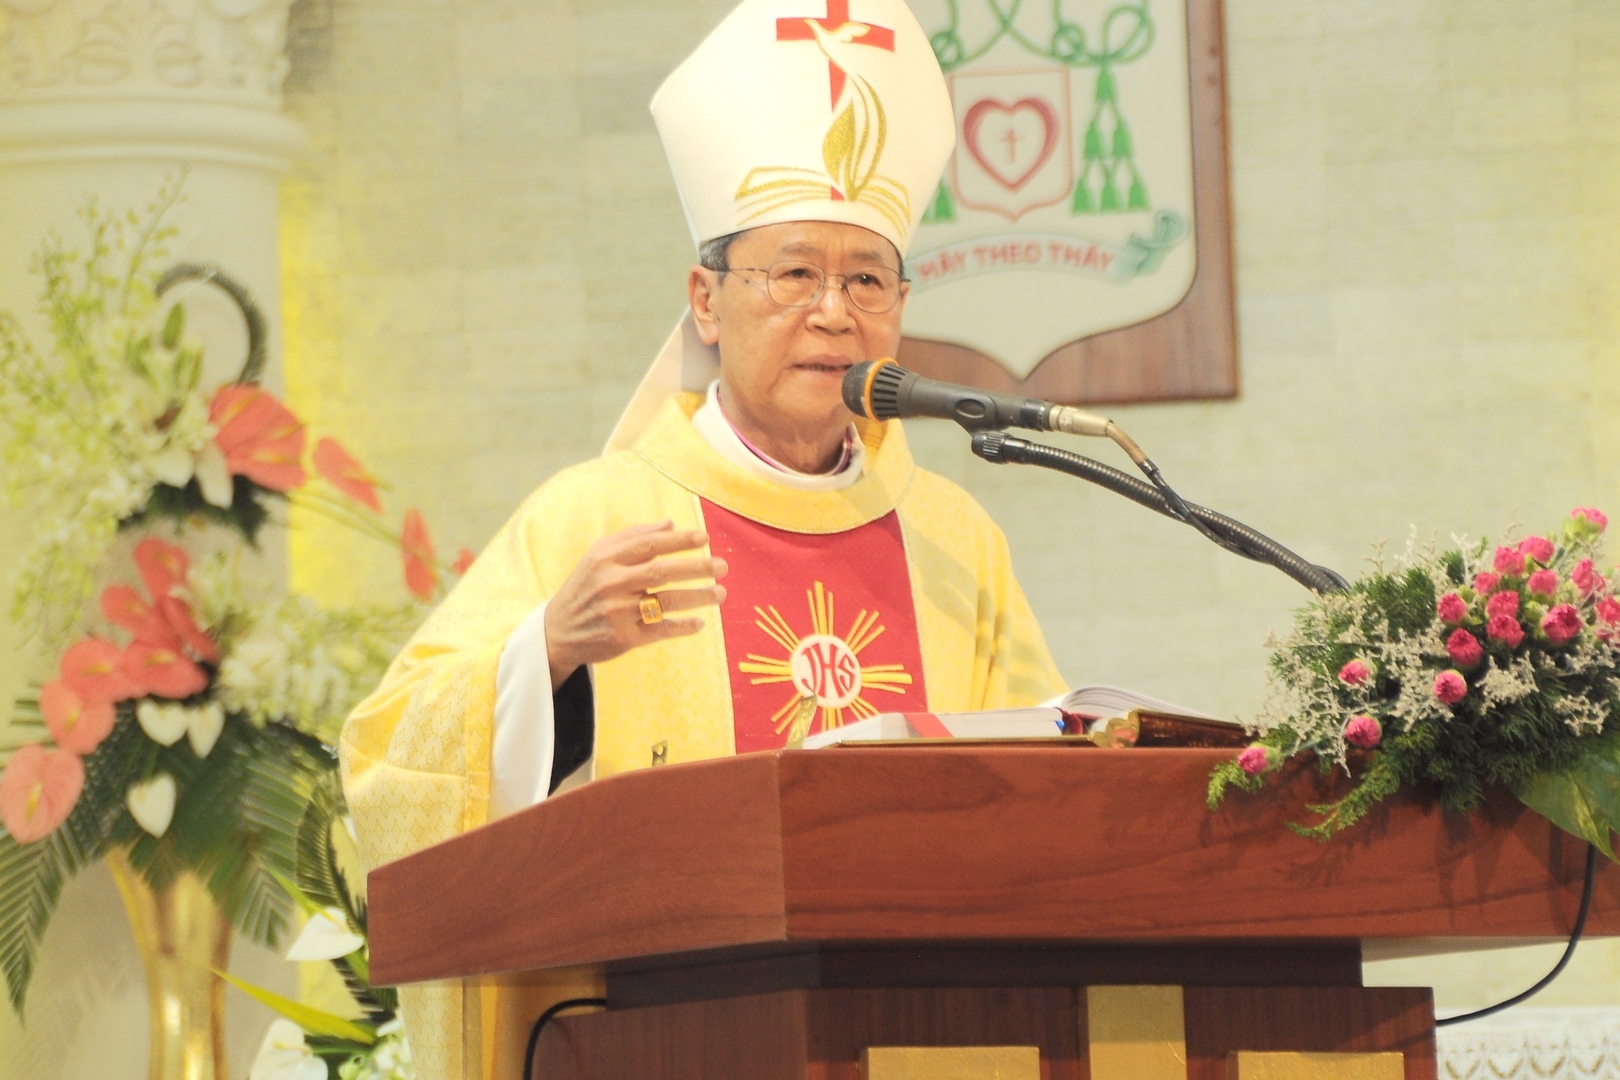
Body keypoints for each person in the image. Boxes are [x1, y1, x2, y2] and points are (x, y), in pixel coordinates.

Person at [340, 1, 1067, 1076]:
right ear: (707, 301)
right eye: (794, 273)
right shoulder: (593, 517)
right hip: (659, 1039)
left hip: (931, 1034)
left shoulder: (954, 539)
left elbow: (1049, 795)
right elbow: (387, 760)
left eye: (868, 279)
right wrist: (547, 654)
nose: (834, 313)